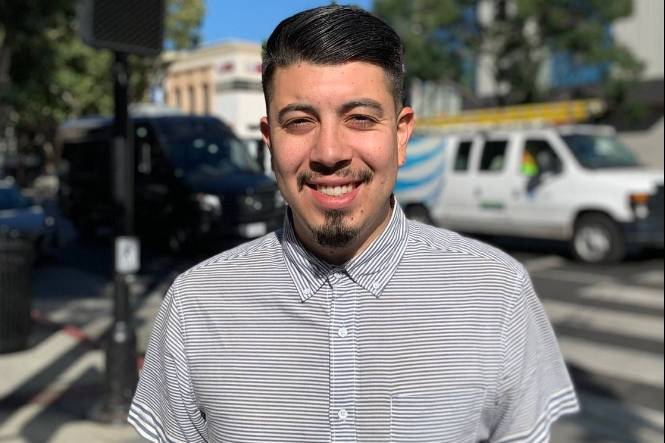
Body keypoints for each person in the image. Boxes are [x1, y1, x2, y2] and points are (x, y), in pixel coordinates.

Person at [129, 5, 578, 442]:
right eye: (300, 122)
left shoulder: (497, 293)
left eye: (360, 119)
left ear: (401, 134)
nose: (329, 152)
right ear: (269, 141)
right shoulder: (196, 307)